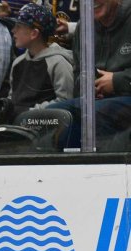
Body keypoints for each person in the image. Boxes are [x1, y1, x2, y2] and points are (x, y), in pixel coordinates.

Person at [46, 0, 131, 148]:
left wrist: (116, 81)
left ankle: (105, 166)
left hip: (124, 97)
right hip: (94, 102)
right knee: (51, 116)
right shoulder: (83, 26)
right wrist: (88, 84)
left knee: (100, 112)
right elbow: (78, 75)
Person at [0, 3, 73, 123]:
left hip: (44, 127)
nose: (13, 31)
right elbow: (13, 97)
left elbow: (65, 103)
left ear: (34, 33)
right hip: (17, 125)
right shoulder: (18, 63)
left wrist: (29, 113)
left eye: (18, 26)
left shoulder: (58, 63)